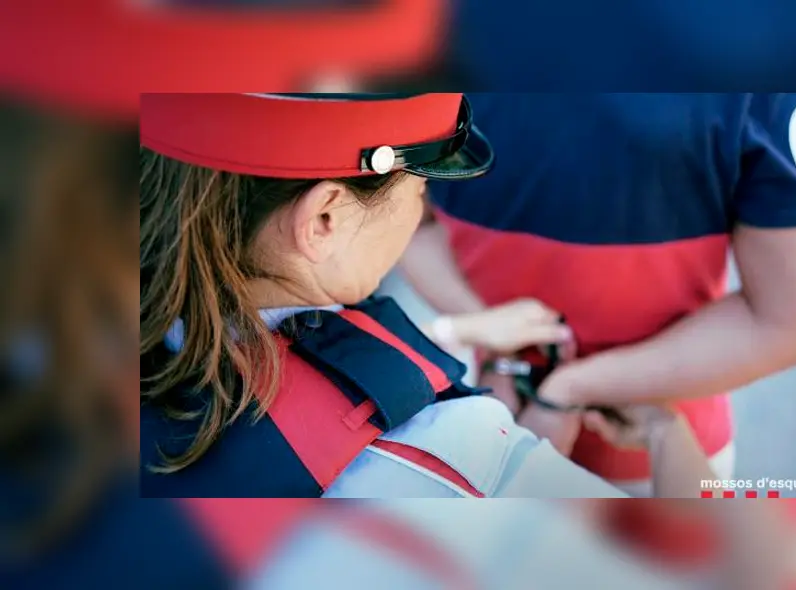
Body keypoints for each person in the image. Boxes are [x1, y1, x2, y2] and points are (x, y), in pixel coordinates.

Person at [138, 92, 722, 500]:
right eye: (419, 189)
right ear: (323, 219)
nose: (420, 211)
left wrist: (457, 335)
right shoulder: (449, 448)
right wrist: (665, 433)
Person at [401, 93, 796, 496]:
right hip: (508, 427)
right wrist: (485, 326)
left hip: (654, 453)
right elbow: (403, 220)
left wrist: (570, 385)